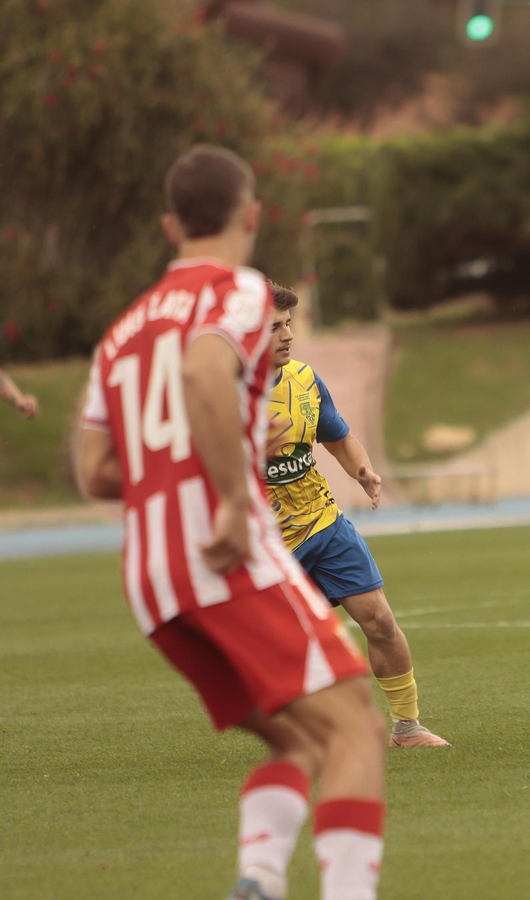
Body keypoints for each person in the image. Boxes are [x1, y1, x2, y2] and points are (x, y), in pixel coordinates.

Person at [75, 145, 389, 900]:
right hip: (224, 555)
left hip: (151, 580)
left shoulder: (120, 332)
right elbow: (203, 368)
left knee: (299, 737)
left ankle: (257, 878)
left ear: (169, 225)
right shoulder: (240, 294)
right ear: (251, 217)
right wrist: (224, 494)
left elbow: (94, 470)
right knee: (356, 728)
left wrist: (180, 473)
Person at [264, 283, 449, 748]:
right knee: (281, 648)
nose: (287, 336)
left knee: (381, 621)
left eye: (288, 325)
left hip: (323, 522)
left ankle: (407, 728)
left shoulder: (304, 380)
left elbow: (340, 437)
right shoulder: (219, 399)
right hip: (264, 545)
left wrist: (361, 469)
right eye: (273, 328)